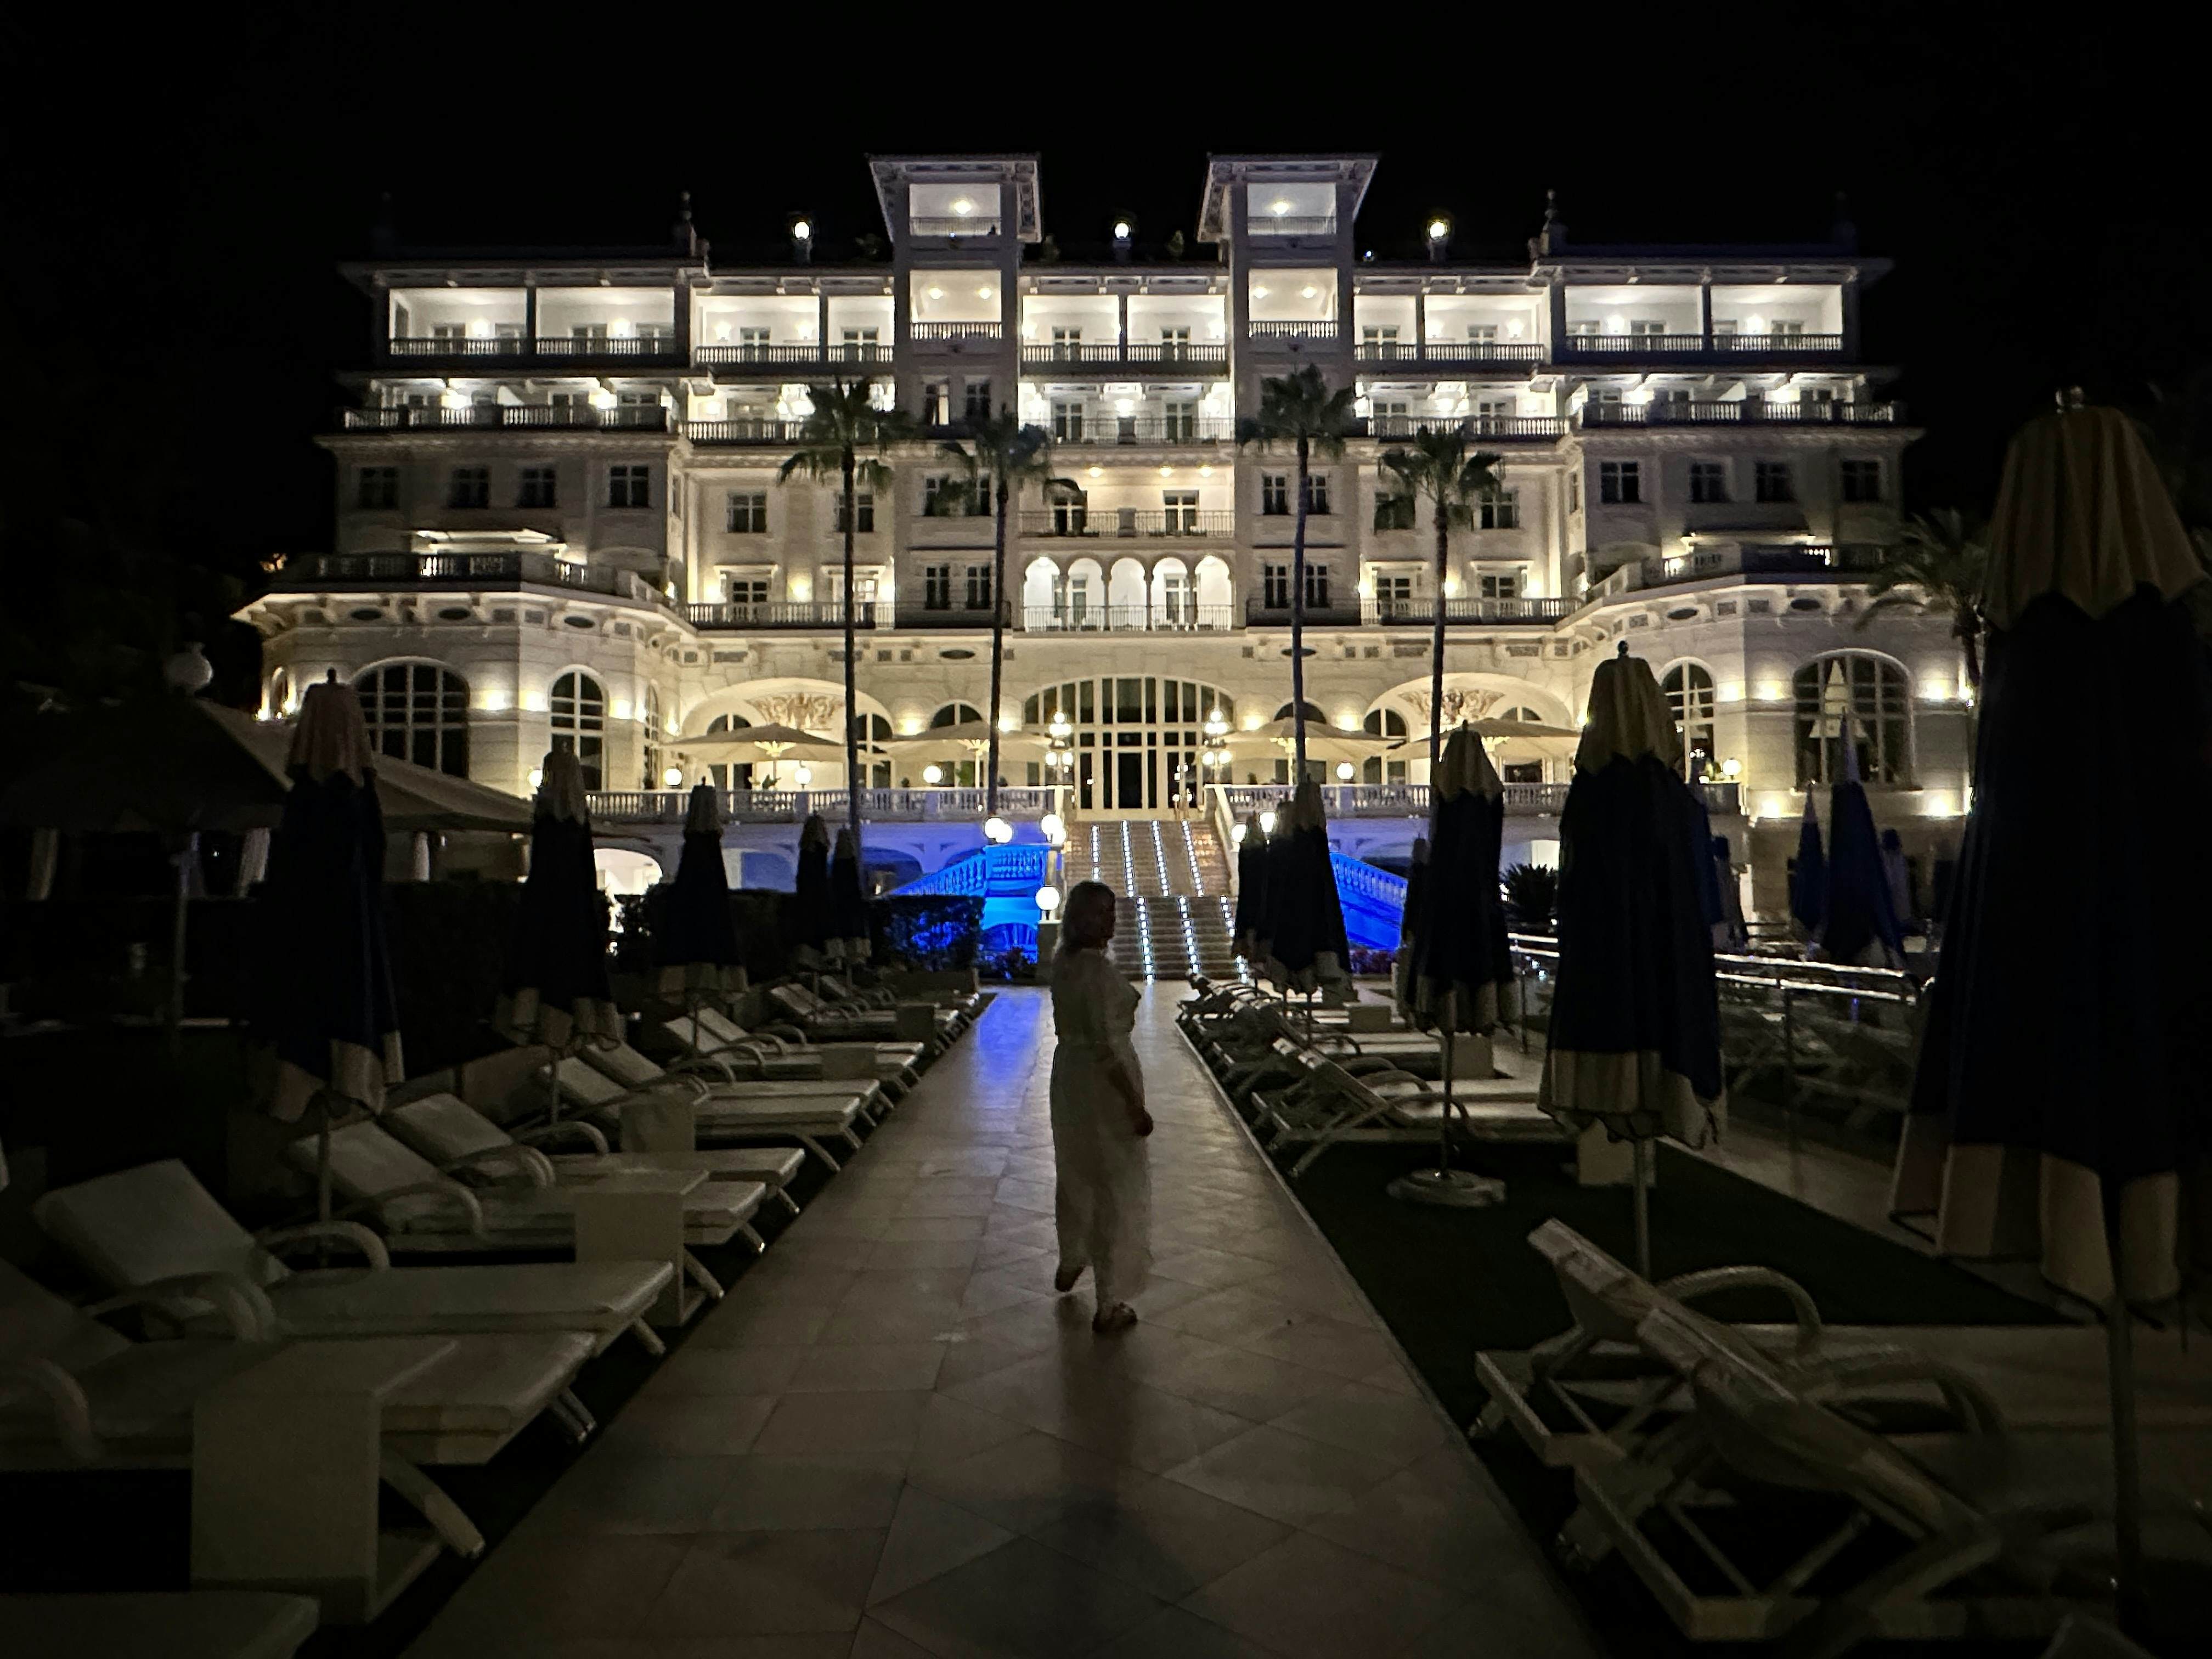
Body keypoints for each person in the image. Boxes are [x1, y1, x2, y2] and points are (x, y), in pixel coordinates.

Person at [1048, 879, 1153, 1333]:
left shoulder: (1065, 964)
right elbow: (1106, 1046)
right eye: (1100, 913)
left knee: (1076, 1169)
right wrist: (1133, 1104)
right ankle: (1108, 1300)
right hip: (1100, 1084)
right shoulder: (1095, 973)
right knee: (1112, 1183)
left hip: (1068, 1075)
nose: (1110, 920)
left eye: (1113, 912)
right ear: (1080, 918)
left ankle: (1072, 1253)